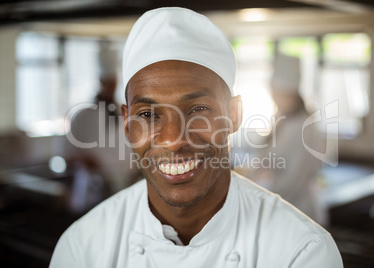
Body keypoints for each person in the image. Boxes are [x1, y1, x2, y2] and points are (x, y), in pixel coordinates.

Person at [51, 7, 343, 267]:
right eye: (148, 115)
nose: (173, 139)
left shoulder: (302, 253)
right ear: (128, 124)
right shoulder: (81, 249)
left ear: (234, 115)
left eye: (198, 110)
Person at [250, 53, 328, 225]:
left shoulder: (304, 128)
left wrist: (258, 187)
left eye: (278, 93)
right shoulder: (282, 120)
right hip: (282, 212)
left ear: (291, 94)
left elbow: (293, 181)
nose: (275, 98)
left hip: (300, 213)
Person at [66, 41, 137, 212]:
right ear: (100, 81)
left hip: (122, 190)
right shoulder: (82, 115)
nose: (110, 87)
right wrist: (82, 161)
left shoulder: (127, 114)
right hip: (90, 192)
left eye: (113, 82)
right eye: (107, 82)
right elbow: (67, 154)